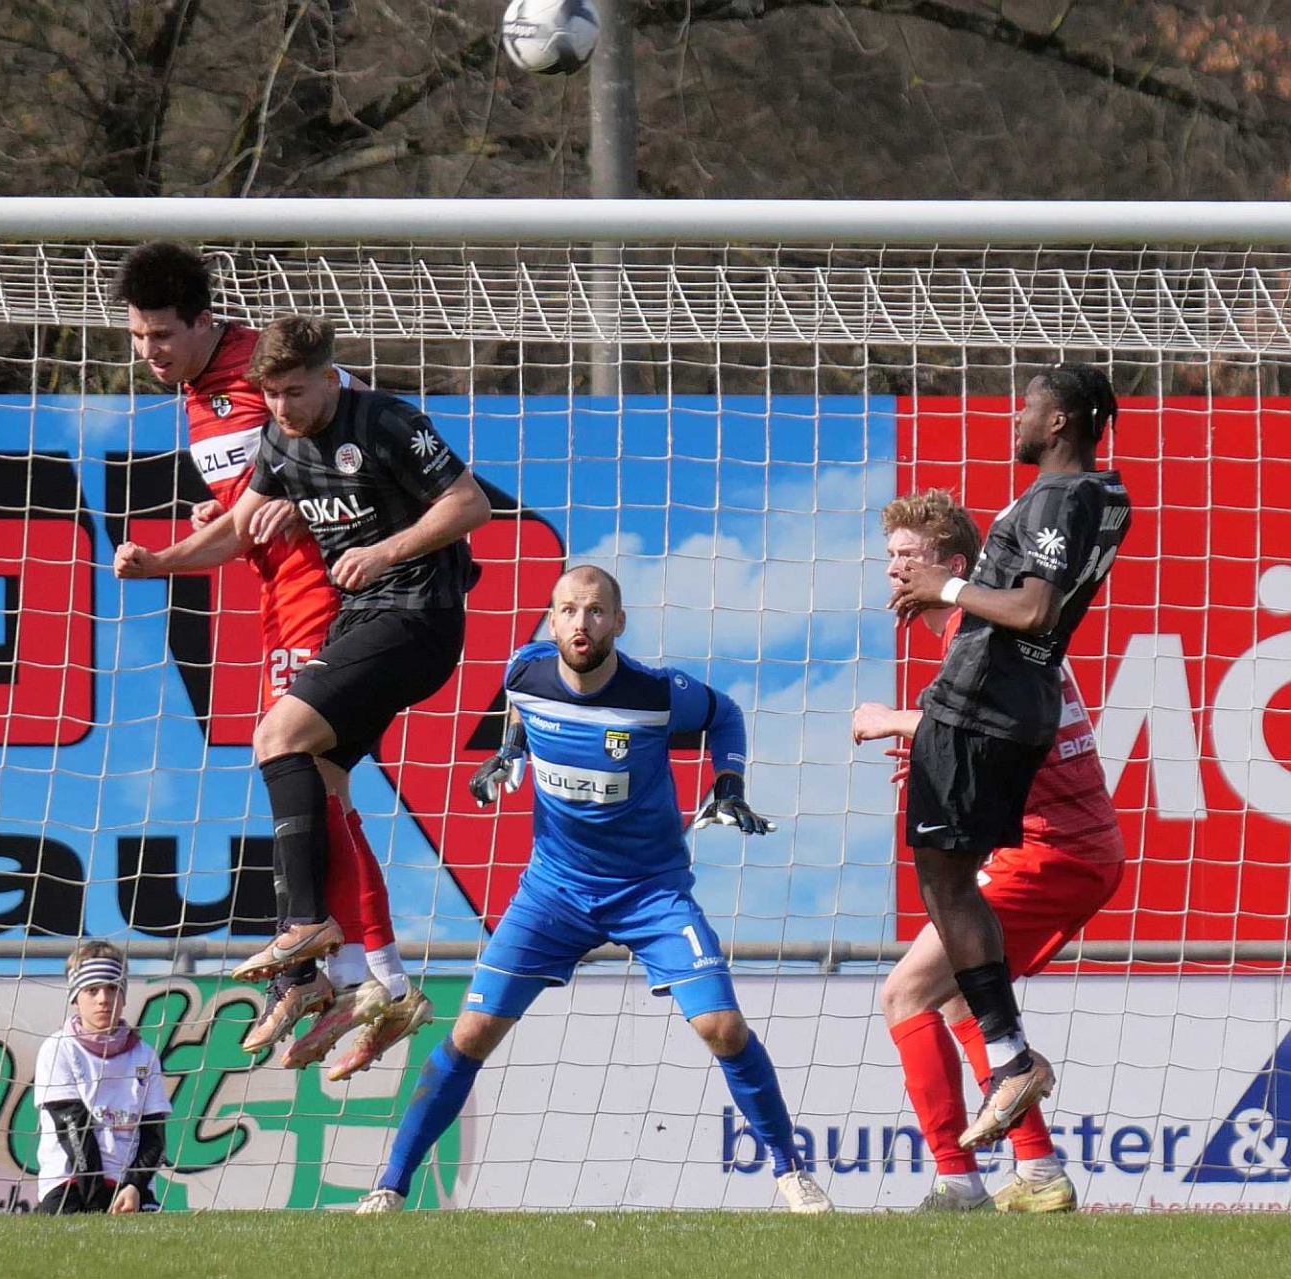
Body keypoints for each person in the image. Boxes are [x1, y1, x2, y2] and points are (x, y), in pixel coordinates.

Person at [355, 565, 829, 1214]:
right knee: (471, 1033)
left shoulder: (656, 693)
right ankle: (389, 1186)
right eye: (570, 610)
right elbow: (520, 705)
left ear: (619, 622)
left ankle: (791, 1172)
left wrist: (729, 784)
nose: (583, 622)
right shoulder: (524, 670)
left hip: (650, 892)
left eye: (597, 610)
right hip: (553, 892)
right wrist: (511, 750)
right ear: (552, 622)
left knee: (722, 1026)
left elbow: (726, 715)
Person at [109, 244, 417, 1074]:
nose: (149, 351)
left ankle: (336, 967)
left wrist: (313, 492)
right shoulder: (194, 394)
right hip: (277, 596)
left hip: (327, 586)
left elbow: (359, 421)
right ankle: (358, 977)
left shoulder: (262, 367)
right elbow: (249, 508)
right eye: (137, 336)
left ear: (204, 322)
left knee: (300, 765)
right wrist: (199, 535)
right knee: (318, 785)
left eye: (162, 334)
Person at [223, 314, 492, 1072]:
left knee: (277, 738)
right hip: (362, 620)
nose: (281, 407)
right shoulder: (279, 440)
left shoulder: (385, 421)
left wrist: (382, 552)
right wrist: (161, 559)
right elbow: (239, 527)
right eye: (270, 394)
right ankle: (373, 986)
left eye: (293, 391)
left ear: (329, 374)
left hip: (417, 617)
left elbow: (470, 504)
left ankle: (306, 931)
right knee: (321, 779)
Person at [855, 489, 1125, 1213]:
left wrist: (892, 720)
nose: (894, 570)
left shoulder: (983, 630)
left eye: (909, 557)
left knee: (905, 992)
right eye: (889, 557)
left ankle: (957, 1182)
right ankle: (1039, 1173)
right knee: (962, 999)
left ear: (953, 568)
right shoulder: (978, 632)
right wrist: (940, 754)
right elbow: (1002, 740)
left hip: (1054, 850)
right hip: (1066, 847)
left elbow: (987, 727)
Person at [886, 365, 1132, 1151]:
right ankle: (1028, 1148)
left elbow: (1034, 608)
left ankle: (1007, 1068)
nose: (1014, 419)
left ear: (1060, 421)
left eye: (1027, 407)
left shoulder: (1058, 498)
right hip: (1001, 718)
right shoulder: (1106, 496)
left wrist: (946, 591)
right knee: (956, 948)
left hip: (986, 714)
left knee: (941, 887)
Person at [33, 941, 171, 1215]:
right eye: (92, 990)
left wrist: (134, 1186)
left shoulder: (144, 1054)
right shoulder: (59, 1048)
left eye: (112, 988)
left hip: (129, 1187)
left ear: (124, 995)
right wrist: (98, 1201)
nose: (103, 999)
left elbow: (154, 1136)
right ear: (75, 998)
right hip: (71, 1182)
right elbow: (73, 1128)